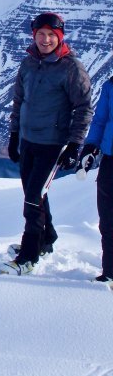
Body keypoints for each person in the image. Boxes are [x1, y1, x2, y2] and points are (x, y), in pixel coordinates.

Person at [4, 12, 93, 275]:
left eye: (50, 36)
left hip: (52, 144)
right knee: (35, 194)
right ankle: (47, 238)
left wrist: (75, 144)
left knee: (33, 198)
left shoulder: (71, 68)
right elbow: (19, 101)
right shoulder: (29, 63)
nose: (45, 40)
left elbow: (84, 107)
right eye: (40, 35)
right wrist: (14, 136)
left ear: (59, 37)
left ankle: (28, 255)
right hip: (29, 141)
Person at [80, 75, 113, 282]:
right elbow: (100, 120)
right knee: (108, 221)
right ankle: (110, 273)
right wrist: (91, 146)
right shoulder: (110, 85)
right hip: (110, 160)